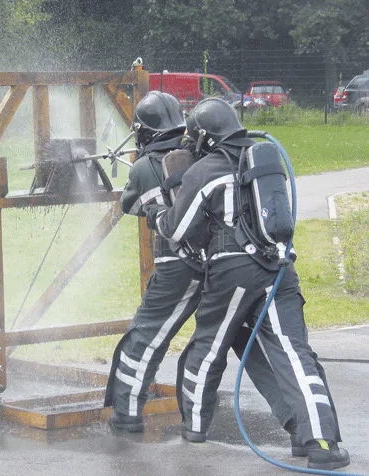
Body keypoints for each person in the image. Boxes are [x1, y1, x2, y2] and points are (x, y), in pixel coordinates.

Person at [154, 97, 349, 471]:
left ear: (205, 137)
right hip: (279, 270)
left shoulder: (205, 170)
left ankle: (194, 427)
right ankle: (319, 441)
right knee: (293, 353)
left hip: (233, 274)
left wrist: (158, 216)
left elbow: (178, 230)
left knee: (210, 346)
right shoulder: (264, 159)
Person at [104, 92, 297, 452]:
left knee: (148, 334)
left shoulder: (145, 166)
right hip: (227, 264)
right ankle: (299, 424)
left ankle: (127, 414)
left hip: (179, 264)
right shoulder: (207, 153)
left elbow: (130, 204)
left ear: (144, 131)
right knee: (249, 343)